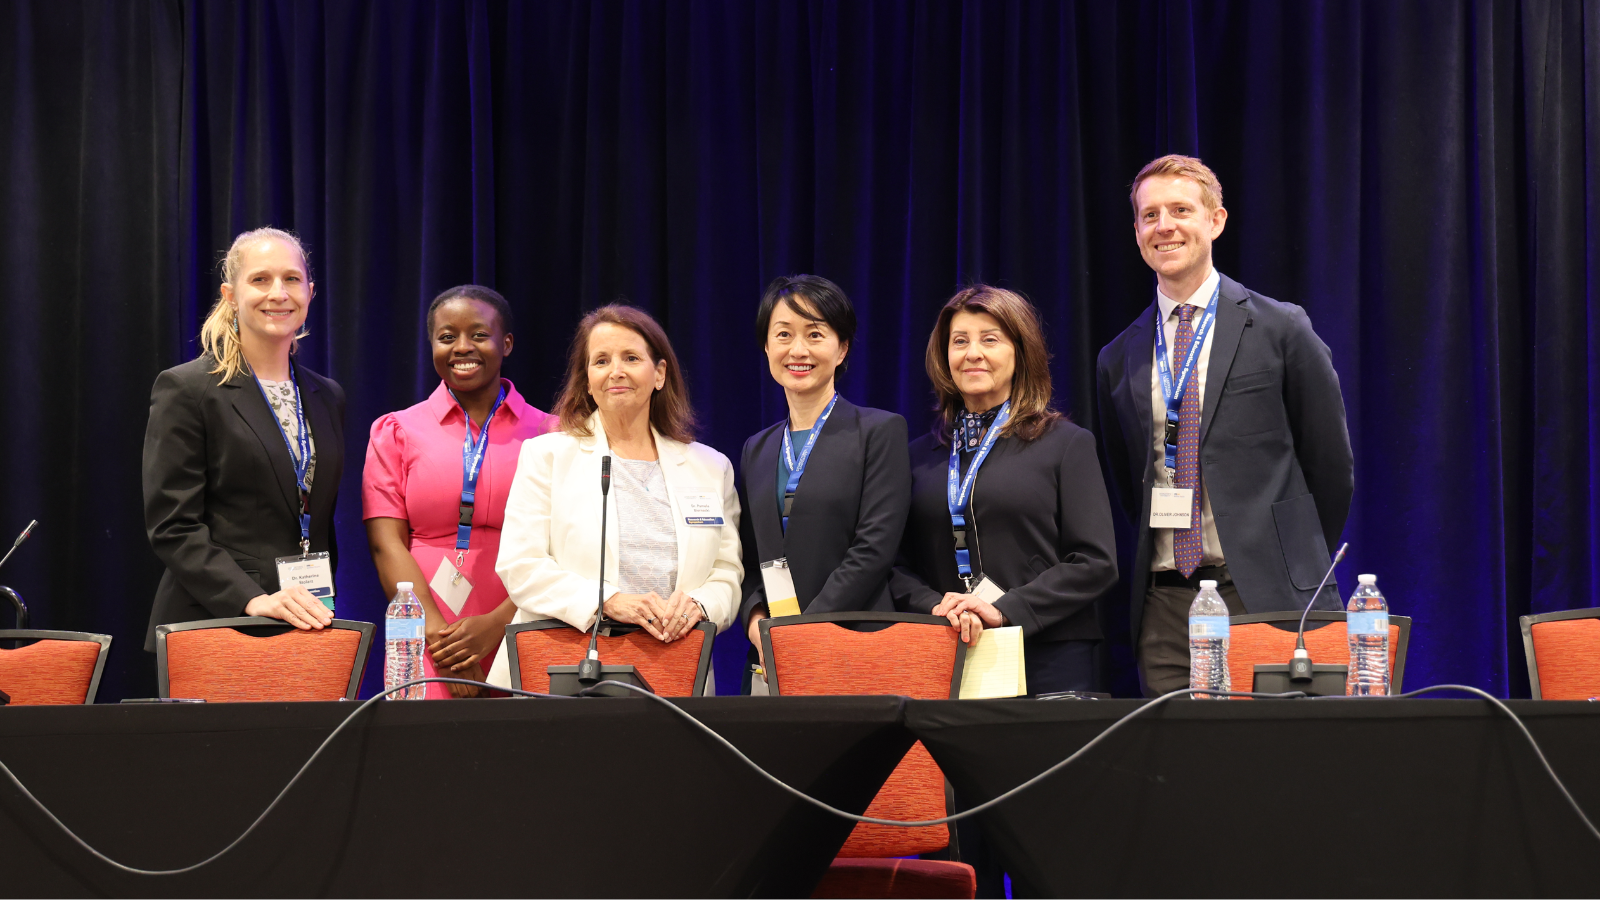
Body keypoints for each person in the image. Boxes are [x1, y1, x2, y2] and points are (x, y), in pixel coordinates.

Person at [1095, 155, 1354, 696]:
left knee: (1277, 765)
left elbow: (1329, 465)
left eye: (1181, 210)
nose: (1164, 226)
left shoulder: (1282, 327)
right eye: (1149, 215)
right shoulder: (1117, 357)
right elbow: (1127, 482)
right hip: (1166, 604)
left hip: (1269, 592)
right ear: (1137, 233)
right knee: (1179, 772)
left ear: (1215, 221)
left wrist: (1290, 555)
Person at [486, 305, 742, 690]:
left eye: (631, 358)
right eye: (601, 360)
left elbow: (726, 572)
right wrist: (607, 601)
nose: (615, 371)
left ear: (659, 374)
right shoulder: (548, 456)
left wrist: (700, 605)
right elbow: (521, 566)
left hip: (675, 666)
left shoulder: (710, 466)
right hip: (564, 664)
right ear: (587, 381)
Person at [892, 285, 1118, 694]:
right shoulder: (915, 457)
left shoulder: (1066, 443)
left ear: (1021, 352)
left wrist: (1002, 610)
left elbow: (1095, 562)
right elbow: (893, 565)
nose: (972, 353)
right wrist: (935, 606)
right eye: (959, 341)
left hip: (1047, 655)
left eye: (990, 339)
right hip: (947, 647)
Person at [143, 227, 345, 651]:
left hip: (308, 620)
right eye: (260, 279)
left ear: (310, 291)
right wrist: (253, 599)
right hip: (215, 626)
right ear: (230, 295)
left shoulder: (327, 395)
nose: (278, 292)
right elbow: (173, 526)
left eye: (291, 279)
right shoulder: (188, 388)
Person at [362, 285, 557, 698]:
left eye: (479, 335)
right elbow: (386, 544)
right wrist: (444, 645)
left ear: (506, 343)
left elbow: (567, 546)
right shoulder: (395, 430)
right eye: (447, 337)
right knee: (428, 753)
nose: (462, 347)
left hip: (526, 620)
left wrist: (501, 625)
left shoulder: (553, 434)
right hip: (426, 626)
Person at [738, 275, 912, 694]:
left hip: (855, 641)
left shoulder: (879, 431)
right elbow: (747, 557)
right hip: (772, 655)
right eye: (783, 334)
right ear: (766, 346)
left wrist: (804, 632)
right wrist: (758, 624)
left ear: (842, 348)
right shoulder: (755, 449)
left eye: (815, 334)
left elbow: (873, 550)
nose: (798, 350)